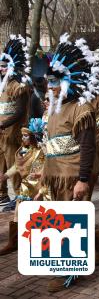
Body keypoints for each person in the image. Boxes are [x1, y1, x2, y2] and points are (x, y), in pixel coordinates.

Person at [42, 35, 99, 292]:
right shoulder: (53, 109)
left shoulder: (80, 110)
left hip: (74, 174)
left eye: (53, 81)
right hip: (54, 174)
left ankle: (68, 272)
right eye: (47, 81)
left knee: (69, 222)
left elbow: (86, 147)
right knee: (62, 219)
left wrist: (83, 180)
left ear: (66, 82)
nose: (49, 86)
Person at [0, 118, 48, 255]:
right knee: (18, 213)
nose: (23, 138)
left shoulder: (41, 151)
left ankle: (43, 242)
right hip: (25, 187)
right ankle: (13, 242)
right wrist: (5, 176)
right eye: (22, 135)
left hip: (38, 188)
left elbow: (48, 167)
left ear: (33, 136)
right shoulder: (23, 150)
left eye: (26, 135)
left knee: (39, 216)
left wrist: (43, 187)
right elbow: (17, 166)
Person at [0, 36, 32, 208]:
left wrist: (3, 125)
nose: (2, 68)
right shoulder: (2, 86)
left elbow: (20, 112)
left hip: (13, 134)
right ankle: (3, 194)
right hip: (2, 134)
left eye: (5, 66)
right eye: (1, 65)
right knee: (2, 165)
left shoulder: (19, 86)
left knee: (15, 166)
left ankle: (20, 197)